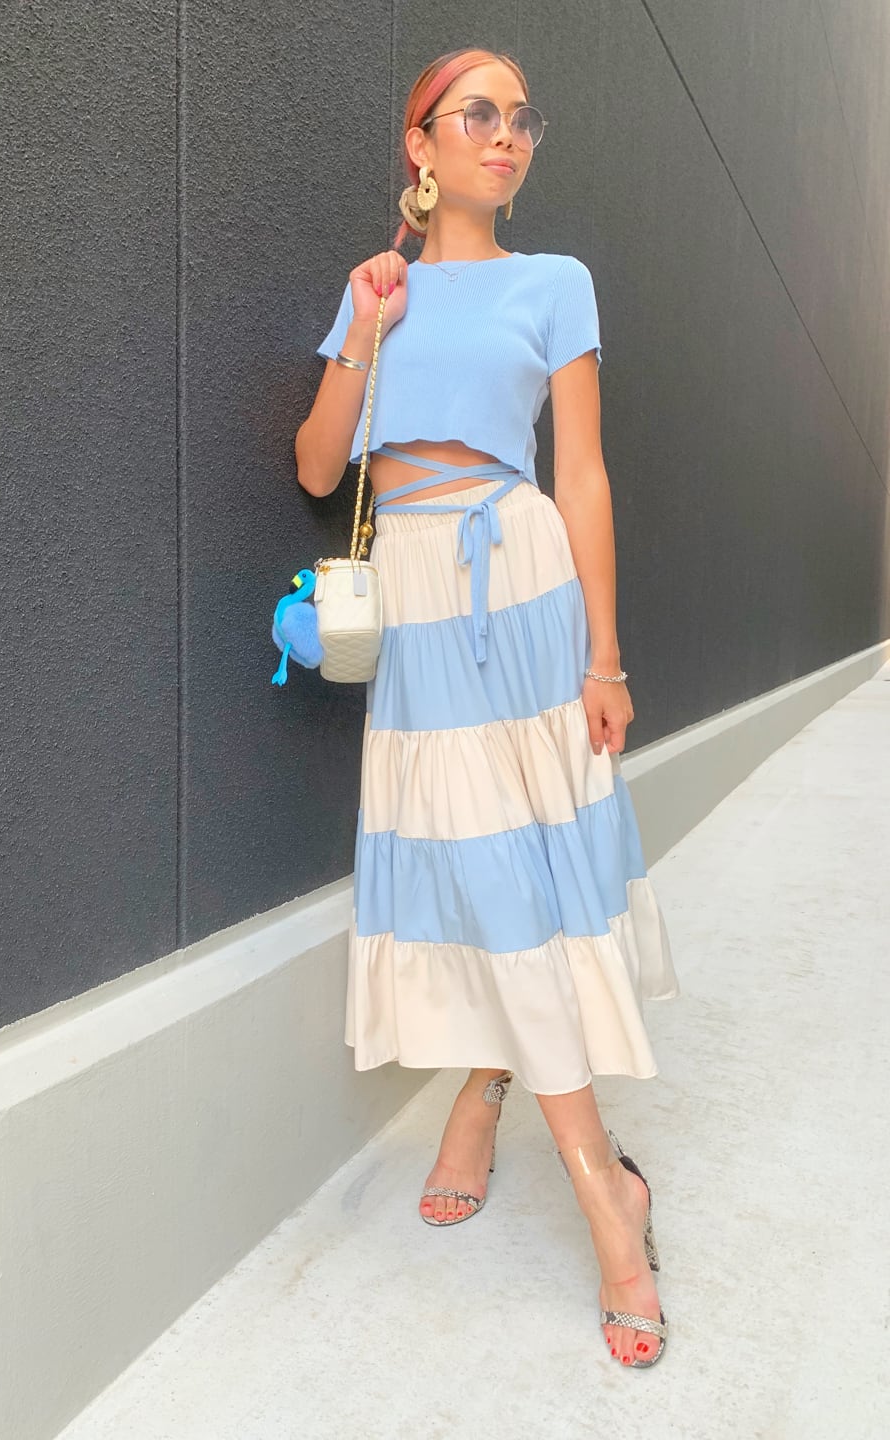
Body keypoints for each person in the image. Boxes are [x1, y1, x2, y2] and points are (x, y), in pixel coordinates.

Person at [294, 47, 680, 1370]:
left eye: (521, 118)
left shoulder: (553, 282)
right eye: (478, 114)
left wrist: (605, 657)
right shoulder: (379, 291)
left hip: (521, 582)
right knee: (480, 871)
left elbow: (584, 475)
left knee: (526, 872)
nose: (505, 135)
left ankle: (599, 1195)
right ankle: (494, 1091)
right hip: (415, 594)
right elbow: (319, 464)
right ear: (422, 145)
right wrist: (364, 324)